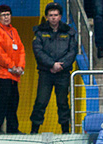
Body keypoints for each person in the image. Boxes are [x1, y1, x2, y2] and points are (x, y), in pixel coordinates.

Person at [30, 2, 77, 135]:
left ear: (60, 16)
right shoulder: (39, 32)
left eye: (56, 15)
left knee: (63, 103)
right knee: (41, 101)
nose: (53, 18)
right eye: (50, 15)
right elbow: (38, 51)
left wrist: (61, 65)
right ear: (46, 17)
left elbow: (72, 52)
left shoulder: (69, 32)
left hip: (63, 73)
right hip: (45, 73)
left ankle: (65, 131)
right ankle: (34, 131)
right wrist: (52, 64)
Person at [0, 5, 25, 134]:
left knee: (14, 100)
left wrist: (20, 66)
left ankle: (12, 128)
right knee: (4, 98)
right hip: (2, 72)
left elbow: (21, 50)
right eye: (3, 15)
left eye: (8, 14)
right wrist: (12, 66)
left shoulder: (14, 31)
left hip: (14, 74)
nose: (6, 17)